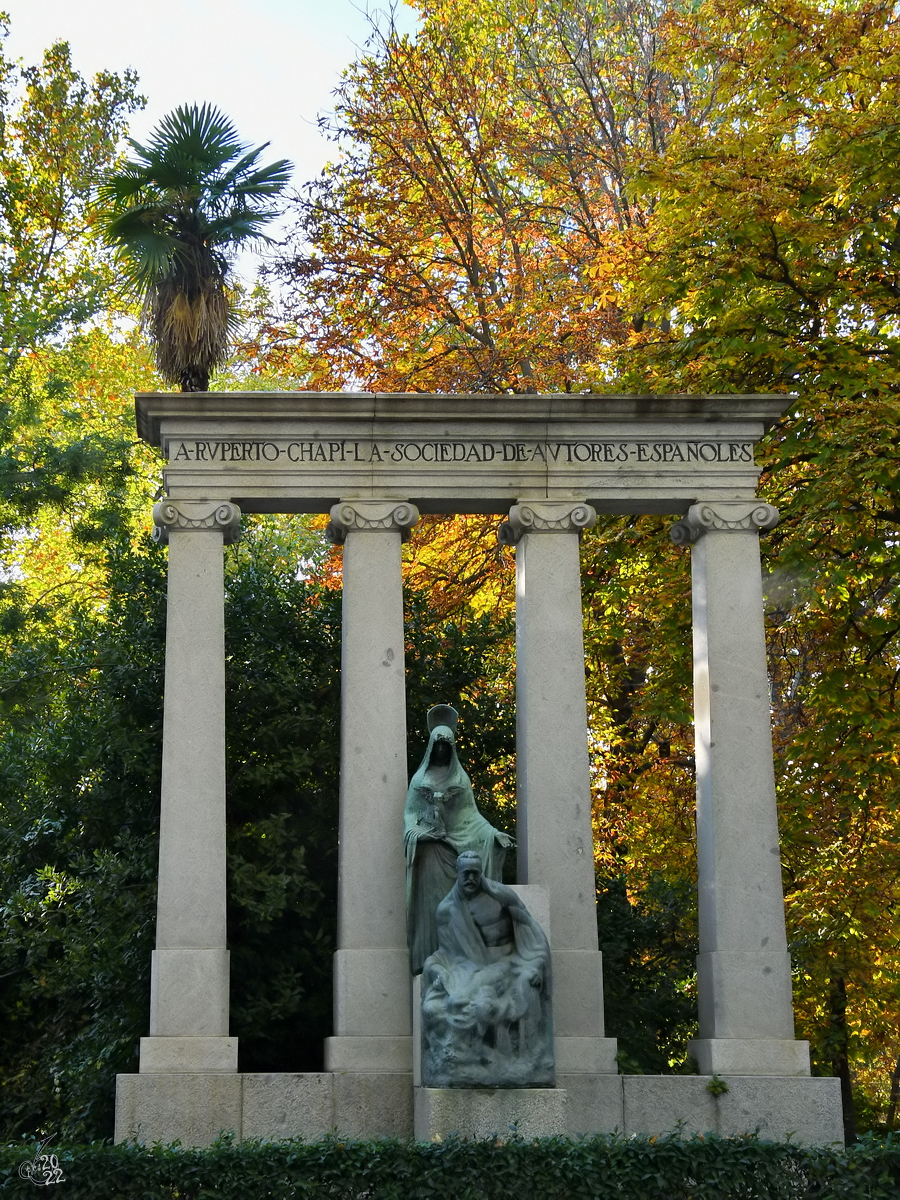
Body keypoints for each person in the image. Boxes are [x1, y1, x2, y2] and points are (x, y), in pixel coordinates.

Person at [420, 851, 554, 1088]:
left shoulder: (500, 898)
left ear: (481, 873)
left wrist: (534, 964)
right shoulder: (446, 909)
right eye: (466, 874)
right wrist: (436, 969)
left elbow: (531, 931)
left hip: (506, 964)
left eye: (475, 873)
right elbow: (446, 953)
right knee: (436, 1006)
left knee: (460, 1000)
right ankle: (471, 1057)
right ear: (457, 874)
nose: (471, 878)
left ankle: (480, 1056)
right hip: (469, 968)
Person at [404, 705, 512, 974]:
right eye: (437, 747)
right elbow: (410, 816)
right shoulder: (420, 779)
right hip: (431, 852)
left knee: (467, 885)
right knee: (434, 903)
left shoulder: (459, 779)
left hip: (460, 849)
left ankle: (468, 954)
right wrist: (422, 834)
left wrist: (492, 834)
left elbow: (471, 817)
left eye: (446, 748)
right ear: (431, 749)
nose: (441, 752)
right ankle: (432, 954)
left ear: (451, 750)